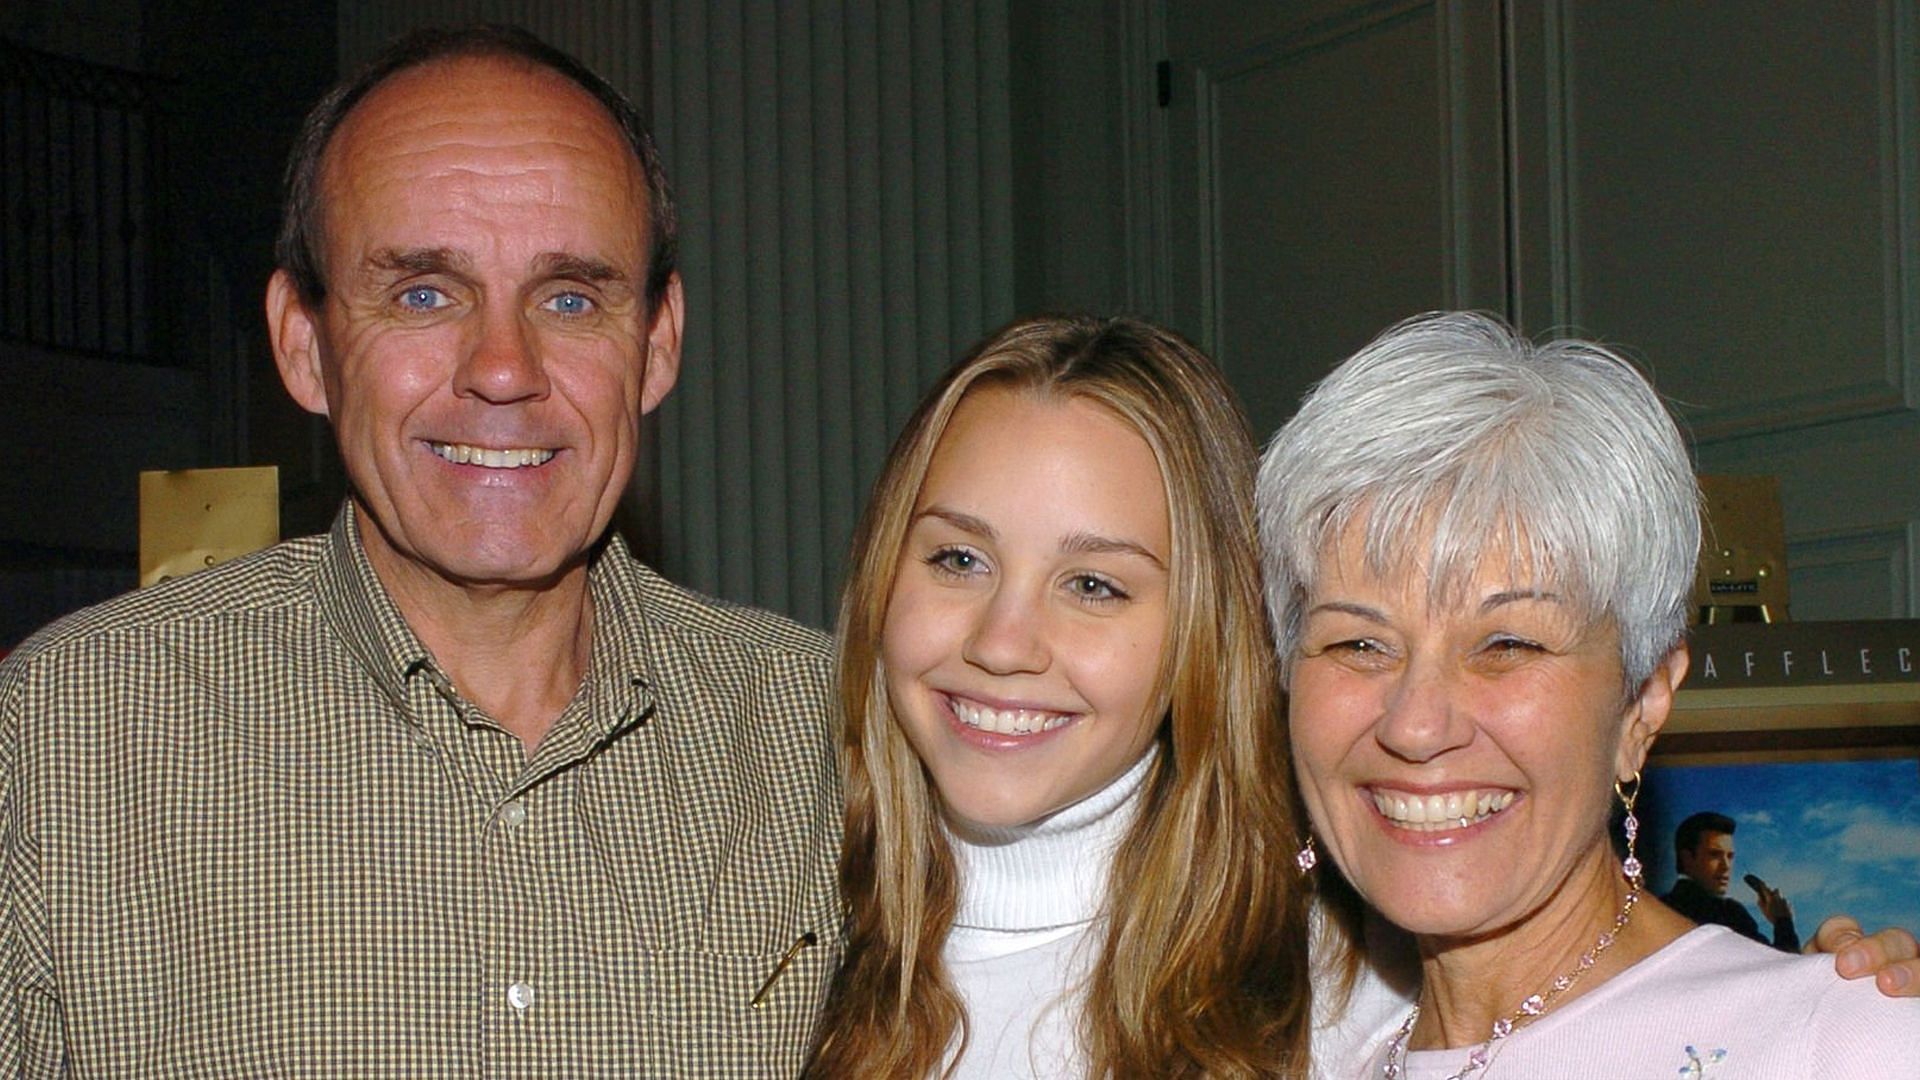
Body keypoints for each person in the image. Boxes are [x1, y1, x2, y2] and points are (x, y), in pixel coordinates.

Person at [0, 26, 838, 1075]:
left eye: (570, 298)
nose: (502, 368)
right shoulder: (67, 739)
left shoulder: (825, 743)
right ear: (304, 346)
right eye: (424, 294)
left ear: (657, 345)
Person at [1257, 311, 1920, 1078]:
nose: (1415, 724)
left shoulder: (1843, 1044)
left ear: (1642, 703)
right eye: (1358, 643)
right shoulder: (1289, 1052)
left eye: (1508, 645)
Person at [808, 315, 1315, 1077]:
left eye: (1092, 585)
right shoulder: (775, 945)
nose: (1002, 643)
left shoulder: (1336, 995)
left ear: (1206, 633)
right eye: (959, 559)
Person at [1664, 811, 1800, 952]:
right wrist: (1783, 921)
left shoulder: (1660, 906)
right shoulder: (1728, 913)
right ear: (1687, 858)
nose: (1726, 866)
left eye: (1730, 856)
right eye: (1715, 855)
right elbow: (1784, 967)